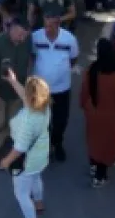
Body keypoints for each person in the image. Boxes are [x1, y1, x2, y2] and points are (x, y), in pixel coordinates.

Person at [0, 71, 51, 218]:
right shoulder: (43, 108)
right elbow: (26, 97)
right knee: (36, 177)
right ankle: (39, 203)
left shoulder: (28, 120)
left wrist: (6, 161)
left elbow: (19, 148)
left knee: (21, 194)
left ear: (31, 97)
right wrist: (13, 81)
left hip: (26, 161)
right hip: (40, 154)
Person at [32, 10, 79, 162]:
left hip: (62, 89)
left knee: (60, 120)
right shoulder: (35, 37)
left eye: (51, 26)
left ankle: (57, 143)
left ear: (58, 25)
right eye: (45, 25)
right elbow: (31, 57)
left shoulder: (69, 39)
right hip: (40, 89)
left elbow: (73, 59)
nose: (47, 29)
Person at [81, 37, 115, 185]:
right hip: (110, 117)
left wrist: (86, 106)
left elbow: (84, 93)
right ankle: (100, 177)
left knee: (94, 141)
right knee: (106, 145)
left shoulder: (92, 70)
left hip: (93, 113)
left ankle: (93, 166)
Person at [0, 16, 34, 156]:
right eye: (19, 35)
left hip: (17, 92)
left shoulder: (27, 40)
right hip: (0, 92)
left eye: (25, 35)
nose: (22, 39)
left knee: (11, 124)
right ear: (11, 29)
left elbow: (29, 59)